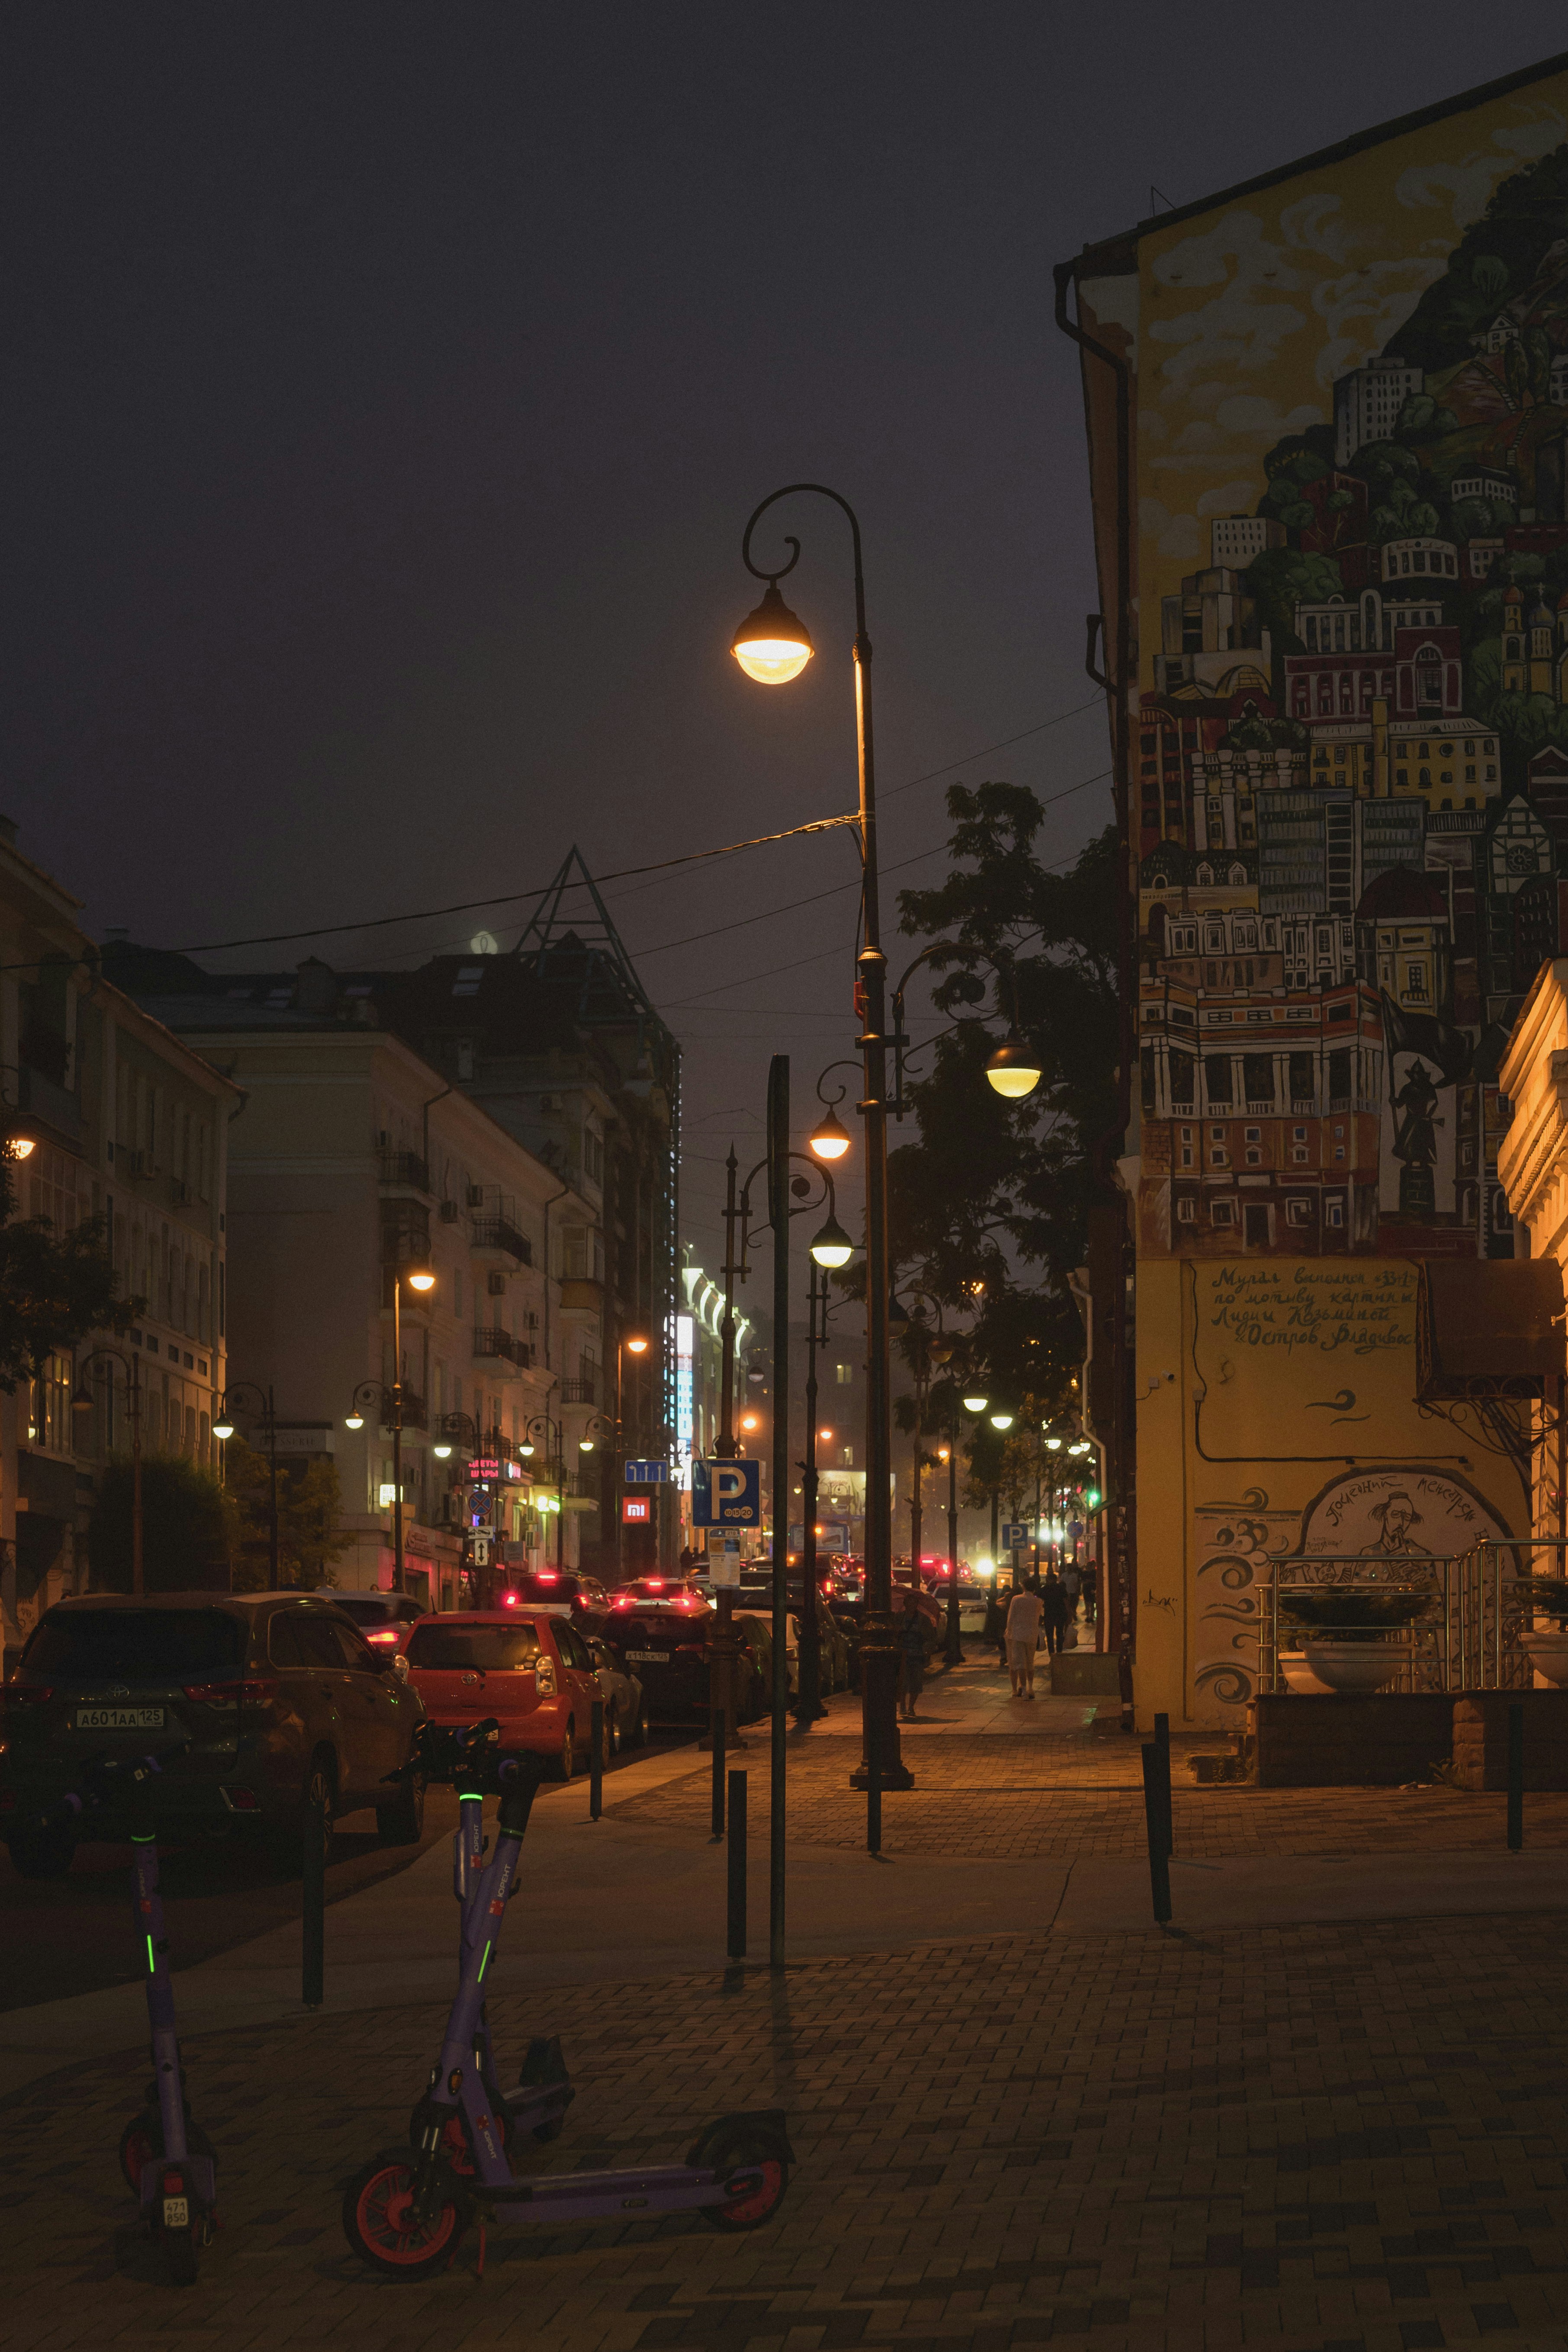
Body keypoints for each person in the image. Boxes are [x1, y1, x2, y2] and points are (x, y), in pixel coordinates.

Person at [896, 1586, 931, 1721]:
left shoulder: (923, 1619)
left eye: (914, 1603)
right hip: (903, 1655)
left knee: (915, 1683)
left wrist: (926, 1651)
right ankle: (903, 1706)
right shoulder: (899, 1618)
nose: (911, 1606)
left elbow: (930, 1637)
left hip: (917, 1654)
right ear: (905, 1604)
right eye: (909, 1603)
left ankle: (911, 1707)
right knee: (903, 1682)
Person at [1005, 1581, 1043, 1699]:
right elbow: (1040, 1616)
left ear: (1024, 1587)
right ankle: (1031, 1688)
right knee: (1030, 1662)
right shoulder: (1038, 1601)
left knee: (1020, 1663)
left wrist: (1009, 1632)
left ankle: (1025, 1691)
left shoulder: (1016, 1599)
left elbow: (1011, 1617)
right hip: (1032, 1634)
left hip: (1017, 1634)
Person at [1040, 1568, 1069, 1657]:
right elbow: (1066, 1601)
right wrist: (1069, 1613)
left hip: (1049, 1615)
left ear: (1048, 1580)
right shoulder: (1061, 1588)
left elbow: (1039, 1600)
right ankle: (1059, 1653)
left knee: (1050, 1636)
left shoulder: (1045, 1589)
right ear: (1056, 1580)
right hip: (1060, 1614)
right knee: (1060, 1634)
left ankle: (1052, 1655)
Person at [982, 1582, 1008, 1669]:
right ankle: (1006, 1656)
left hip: (1002, 1624)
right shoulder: (1013, 1602)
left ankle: (1004, 1657)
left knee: (1002, 1640)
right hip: (1008, 1624)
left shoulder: (1001, 1604)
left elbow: (997, 1603)